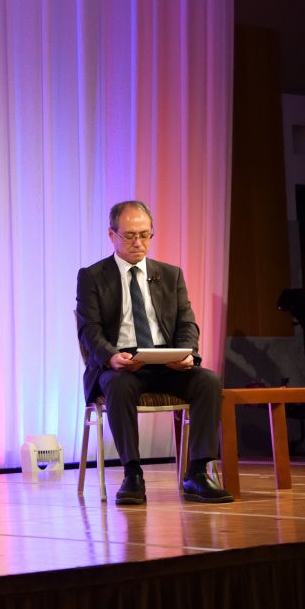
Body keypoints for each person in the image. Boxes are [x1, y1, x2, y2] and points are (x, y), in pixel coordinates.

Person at [75, 200, 232, 505]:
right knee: (118, 385)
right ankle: (132, 474)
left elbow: (187, 323)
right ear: (111, 234)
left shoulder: (170, 275)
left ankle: (197, 472)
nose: (138, 243)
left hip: (165, 361)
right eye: (129, 236)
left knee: (208, 381)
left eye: (145, 235)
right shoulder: (93, 276)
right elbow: (89, 330)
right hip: (122, 365)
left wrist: (187, 354)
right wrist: (111, 357)